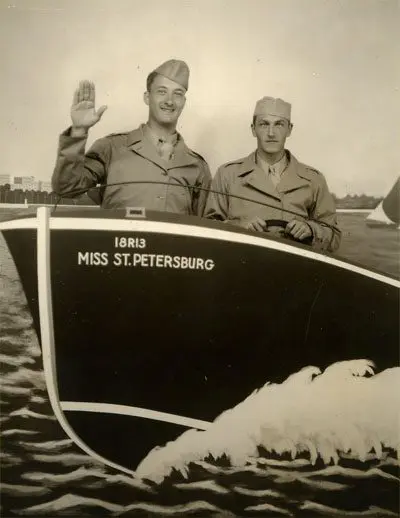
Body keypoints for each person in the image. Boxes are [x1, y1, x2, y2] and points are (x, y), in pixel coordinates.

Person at [51, 59, 211, 216]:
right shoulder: (111, 148)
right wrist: (78, 131)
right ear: (147, 97)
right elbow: (67, 188)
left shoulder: (197, 167)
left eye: (177, 94)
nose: (169, 101)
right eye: (162, 91)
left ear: (183, 102)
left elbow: (204, 230)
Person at [205, 96, 341, 252]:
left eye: (279, 124)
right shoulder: (227, 175)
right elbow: (208, 230)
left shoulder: (313, 179)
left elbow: (334, 237)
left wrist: (310, 230)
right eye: (264, 124)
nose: (271, 133)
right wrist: (239, 229)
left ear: (289, 129)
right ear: (253, 129)